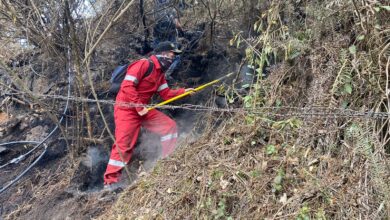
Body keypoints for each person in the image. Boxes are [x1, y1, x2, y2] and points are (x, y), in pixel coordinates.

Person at [103, 41, 194, 190]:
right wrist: (139, 107)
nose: (172, 59)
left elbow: (166, 94)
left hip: (143, 109)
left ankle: (167, 161)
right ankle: (110, 183)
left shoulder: (160, 75)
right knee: (124, 144)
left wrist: (184, 91)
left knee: (169, 127)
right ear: (162, 54)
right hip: (126, 108)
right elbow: (127, 86)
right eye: (171, 55)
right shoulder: (143, 65)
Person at [153, 0, 184, 79]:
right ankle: (166, 74)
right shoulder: (171, 9)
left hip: (158, 37)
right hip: (170, 37)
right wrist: (182, 31)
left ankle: (155, 73)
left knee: (156, 55)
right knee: (176, 57)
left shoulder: (155, 9)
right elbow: (177, 24)